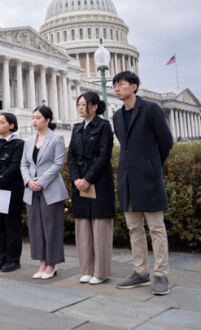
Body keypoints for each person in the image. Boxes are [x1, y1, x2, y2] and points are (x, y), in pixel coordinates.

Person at [112, 71, 174, 295]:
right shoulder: (117, 117)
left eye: (121, 84)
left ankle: (161, 275)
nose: (117, 88)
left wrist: (152, 165)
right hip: (127, 179)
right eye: (115, 85)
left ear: (134, 87)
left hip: (148, 178)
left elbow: (166, 141)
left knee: (156, 229)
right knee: (134, 229)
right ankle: (140, 272)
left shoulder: (150, 110)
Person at [67, 92, 115, 285]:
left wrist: (88, 178)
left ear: (94, 106)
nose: (79, 107)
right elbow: (71, 156)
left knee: (100, 227)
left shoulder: (104, 126)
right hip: (80, 183)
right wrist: (77, 178)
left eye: (83, 104)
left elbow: (104, 157)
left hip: (99, 182)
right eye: (78, 104)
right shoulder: (77, 128)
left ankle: (101, 271)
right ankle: (86, 269)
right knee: (83, 227)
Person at [20, 105, 68, 279]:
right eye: (33, 117)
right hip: (31, 190)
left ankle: (52, 264)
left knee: (52, 227)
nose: (34, 121)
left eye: (38, 117)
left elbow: (58, 163)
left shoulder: (57, 139)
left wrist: (41, 181)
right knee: (36, 228)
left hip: (51, 189)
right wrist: (28, 181)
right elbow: (24, 164)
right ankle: (42, 262)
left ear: (48, 120)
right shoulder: (28, 141)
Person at [0, 113, 25, 273]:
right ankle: (2, 257)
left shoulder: (18, 144)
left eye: (2, 122)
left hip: (10, 191)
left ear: (11, 125)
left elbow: (15, 167)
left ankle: (14, 259)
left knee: (11, 226)